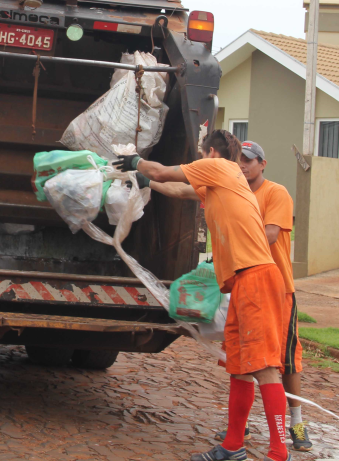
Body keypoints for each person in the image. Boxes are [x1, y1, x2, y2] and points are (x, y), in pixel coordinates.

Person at [116, 130, 290, 461]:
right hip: (240, 282)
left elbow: (163, 172)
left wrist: (135, 161)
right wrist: (144, 180)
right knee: (240, 368)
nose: (197, 158)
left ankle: (280, 453)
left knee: (265, 366)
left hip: (256, 278)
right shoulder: (220, 182)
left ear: (210, 152)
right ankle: (233, 447)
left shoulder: (221, 167)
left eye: (199, 152)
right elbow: (178, 188)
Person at [214, 141, 309, 452]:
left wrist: (234, 241)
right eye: (239, 160)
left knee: (285, 361)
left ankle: (297, 424)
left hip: (277, 289)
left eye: (249, 160)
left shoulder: (275, 193)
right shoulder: (237, 193)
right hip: (245, 286)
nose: (243, 165)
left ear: (262, 164)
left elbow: (269, 234)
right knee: (242, 360)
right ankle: (239, 431)